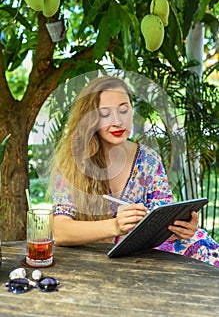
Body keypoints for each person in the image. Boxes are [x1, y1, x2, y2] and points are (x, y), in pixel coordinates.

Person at [49, 75, 219, 267]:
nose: (117, 121)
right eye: (105, 114)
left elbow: (162, 220)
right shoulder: (74, 162)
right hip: (106, 257)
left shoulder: (148, 159)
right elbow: (60, 232)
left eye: (123, 110)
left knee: (206, 251)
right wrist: (115, 226)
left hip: (153, 252)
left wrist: (180, 228)